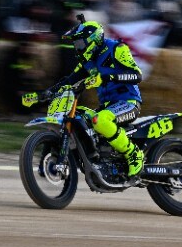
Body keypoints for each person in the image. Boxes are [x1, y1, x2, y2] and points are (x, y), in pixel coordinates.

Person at [24, 16, 145, 179]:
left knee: (100, 121)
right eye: (75, 44)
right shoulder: (88, 62)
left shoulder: (117, 48)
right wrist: (42, 95)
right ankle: (99, 158)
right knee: (79, 117)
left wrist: (107, 78)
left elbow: (137, 75)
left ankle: (133, 153)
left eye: (79, 44)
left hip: (128, 102)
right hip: (108, 106)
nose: (77, 48)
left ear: (92, 40)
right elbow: (68, 81)